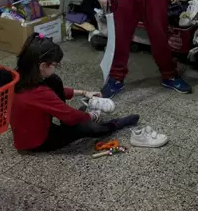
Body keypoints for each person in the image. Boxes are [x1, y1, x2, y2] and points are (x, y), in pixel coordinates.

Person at [9, 34, 167, 152]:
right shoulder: (38, 92)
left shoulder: (21, 76)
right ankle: (115, 124)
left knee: (55, 80)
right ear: (43, 65)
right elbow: (70, 115)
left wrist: (84, 93)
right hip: (37, 142)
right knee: (88, 128)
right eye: (55, 64)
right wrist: (92, 116)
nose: (56, 67)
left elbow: (51, 95)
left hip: (29, 131)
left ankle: (80, 113)